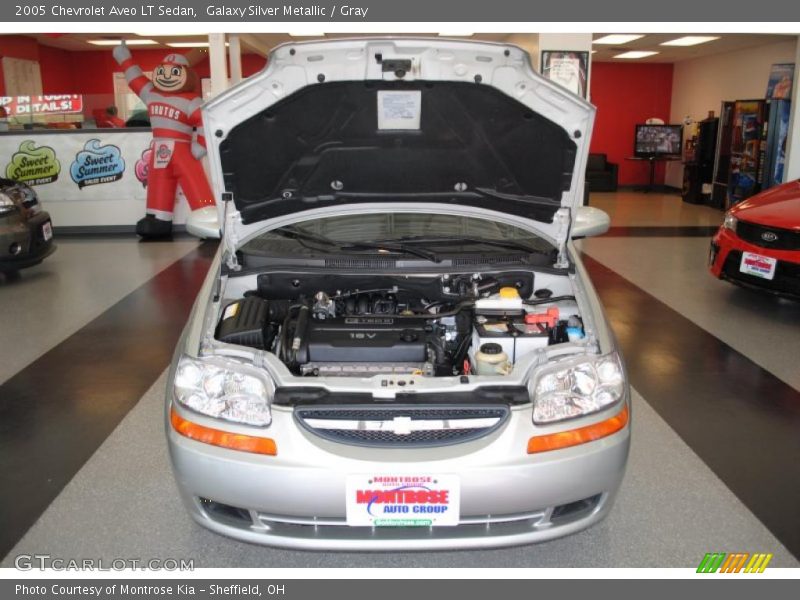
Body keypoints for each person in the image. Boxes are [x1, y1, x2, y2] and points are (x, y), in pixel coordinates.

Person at [112, 40, 218, 238]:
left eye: (174, 72)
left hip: (182, 149)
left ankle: (208, 217)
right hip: (159, 147)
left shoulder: (192, 100)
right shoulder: (151, 93)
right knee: (159, 181)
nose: (167, 76)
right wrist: (123, 57)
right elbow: (135, 79)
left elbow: (207, 120)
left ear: (186, 75)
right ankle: (158, 218)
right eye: (163, 72)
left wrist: (200, 146)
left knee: (193, 180)